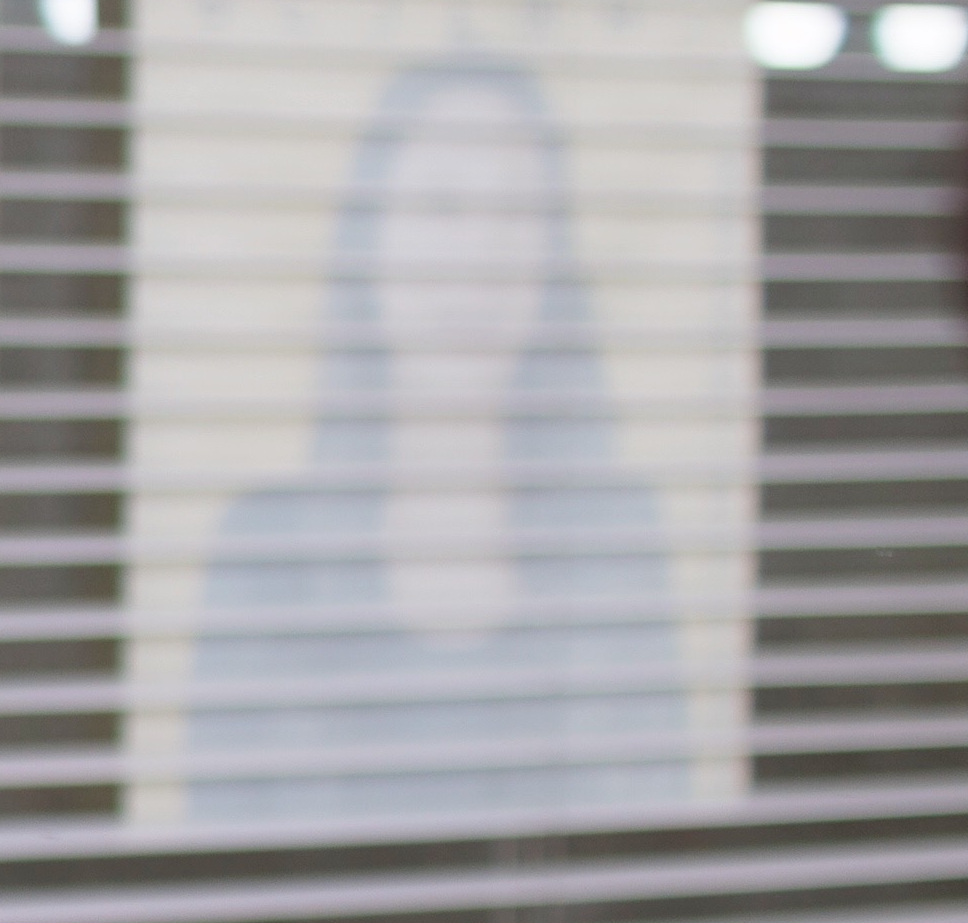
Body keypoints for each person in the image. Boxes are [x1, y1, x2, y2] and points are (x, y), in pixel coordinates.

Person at [185, 57, 689, 826]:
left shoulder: (617, 535)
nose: (479, 258)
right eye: (441, 206)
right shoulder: (264, 547)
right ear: (370, 245)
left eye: (516, 214)